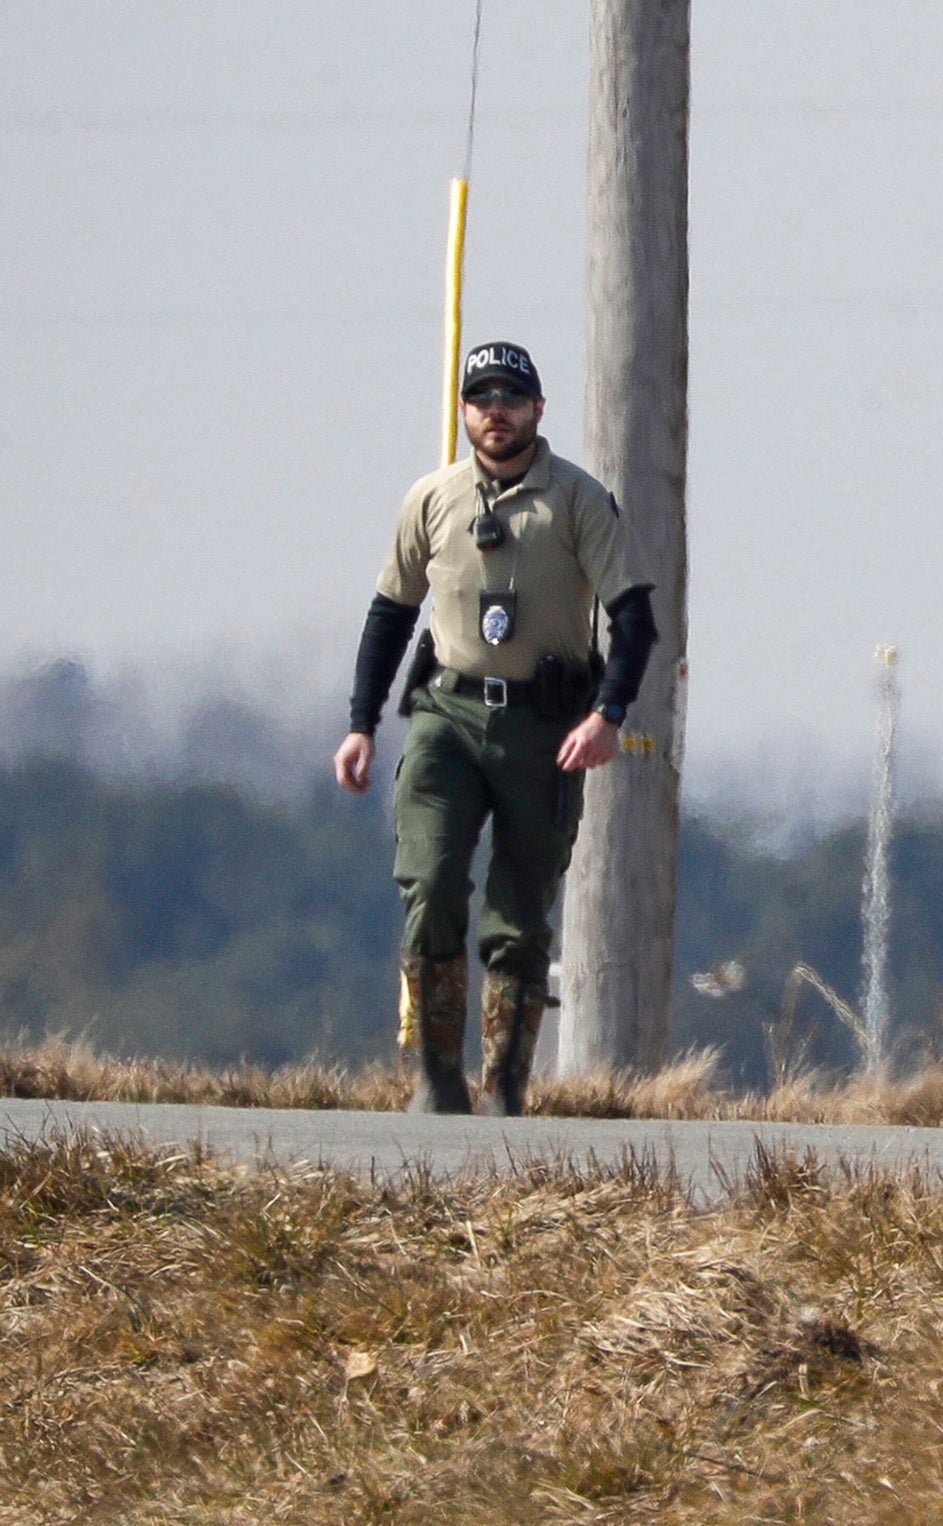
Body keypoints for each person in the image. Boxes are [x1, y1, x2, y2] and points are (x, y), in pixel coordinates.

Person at [333, 341, 656, 1116]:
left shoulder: (578, 500)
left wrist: (608, 715)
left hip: (546, 729)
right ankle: (438, 1078)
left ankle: (507, 1084)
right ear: (464, 411)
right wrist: (361, 725)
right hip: (448, 716)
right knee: (432, 882)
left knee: (520, 916)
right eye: (481, 397)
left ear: (538, 409)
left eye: (511, 396)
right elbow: (390, 613)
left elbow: (635, 618)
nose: (496, 411)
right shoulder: (433, 498)